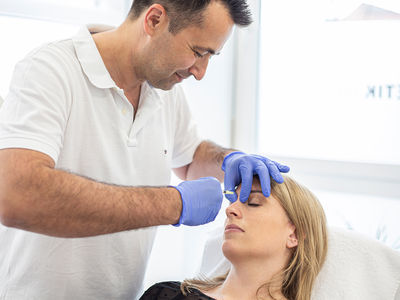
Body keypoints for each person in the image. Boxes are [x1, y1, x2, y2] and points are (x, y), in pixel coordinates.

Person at [0, 0, 289, 299]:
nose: (200, 72)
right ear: (154, 20)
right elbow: (16, 195)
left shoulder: (164, 91)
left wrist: (228, 159)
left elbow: (189, 159)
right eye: (198, 52)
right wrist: (175, 204)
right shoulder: (50, 71)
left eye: (210, 57)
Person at [141, 175, 328, 300]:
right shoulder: (167, 295)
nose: (230, 210)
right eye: (232, 202)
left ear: (294, 234)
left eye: (253, 203)